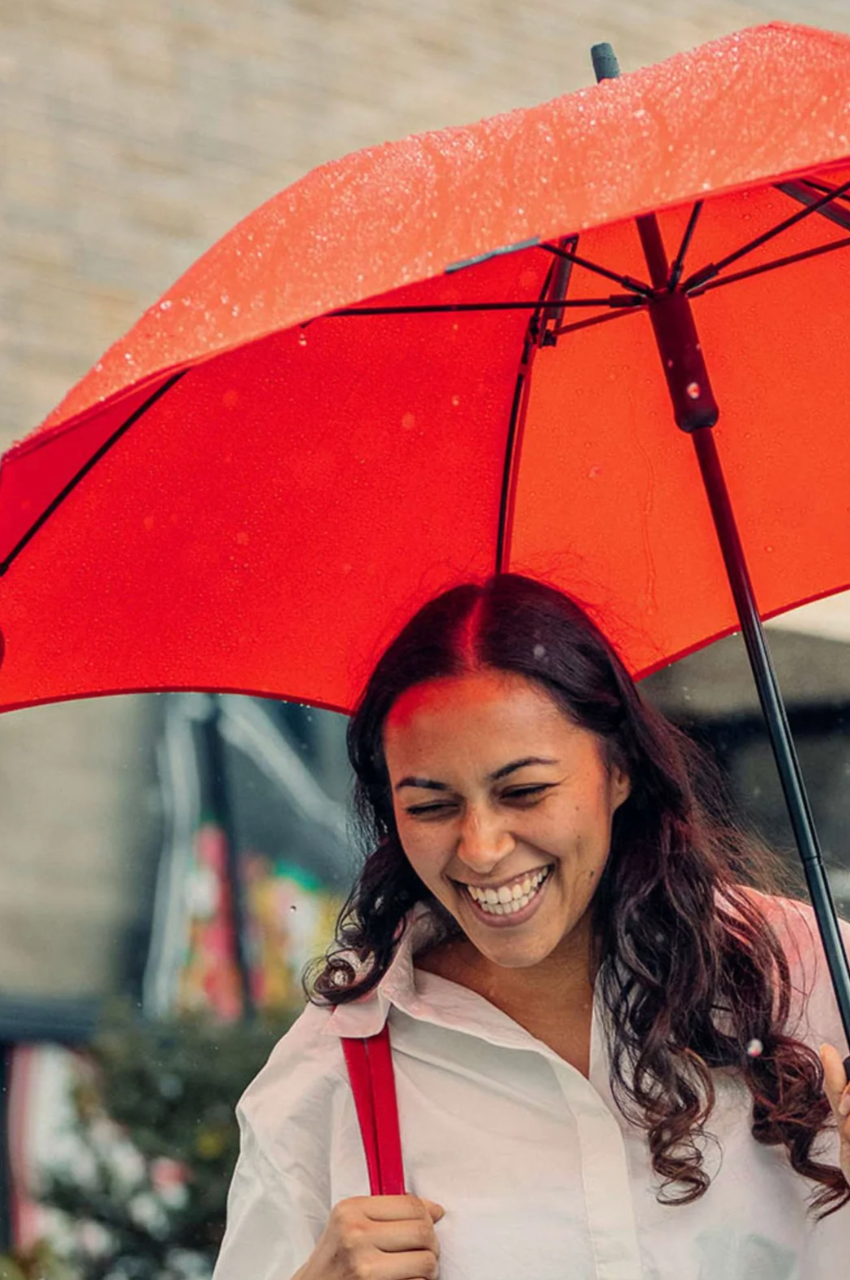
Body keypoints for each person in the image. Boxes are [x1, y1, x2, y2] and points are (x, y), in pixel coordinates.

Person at [212, 573, 850, 1280]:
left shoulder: (817, 982)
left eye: (525, 792)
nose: (481, 848)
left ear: (619, 771)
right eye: (430, 806)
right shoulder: (330, 1079)